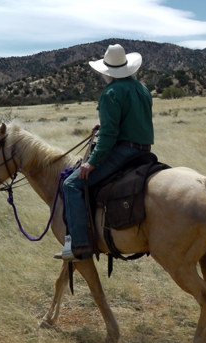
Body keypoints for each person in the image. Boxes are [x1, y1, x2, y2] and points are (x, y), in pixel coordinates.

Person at [55, 44, 154, 261]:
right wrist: (105, 127)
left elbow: (110, 135)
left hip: (123, 152)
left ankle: (79, 246)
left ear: (107, 72)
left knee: (71, 184)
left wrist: (91, 162)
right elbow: (133, 120)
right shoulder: (142, 88)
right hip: (144, 151)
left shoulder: (110, 93)